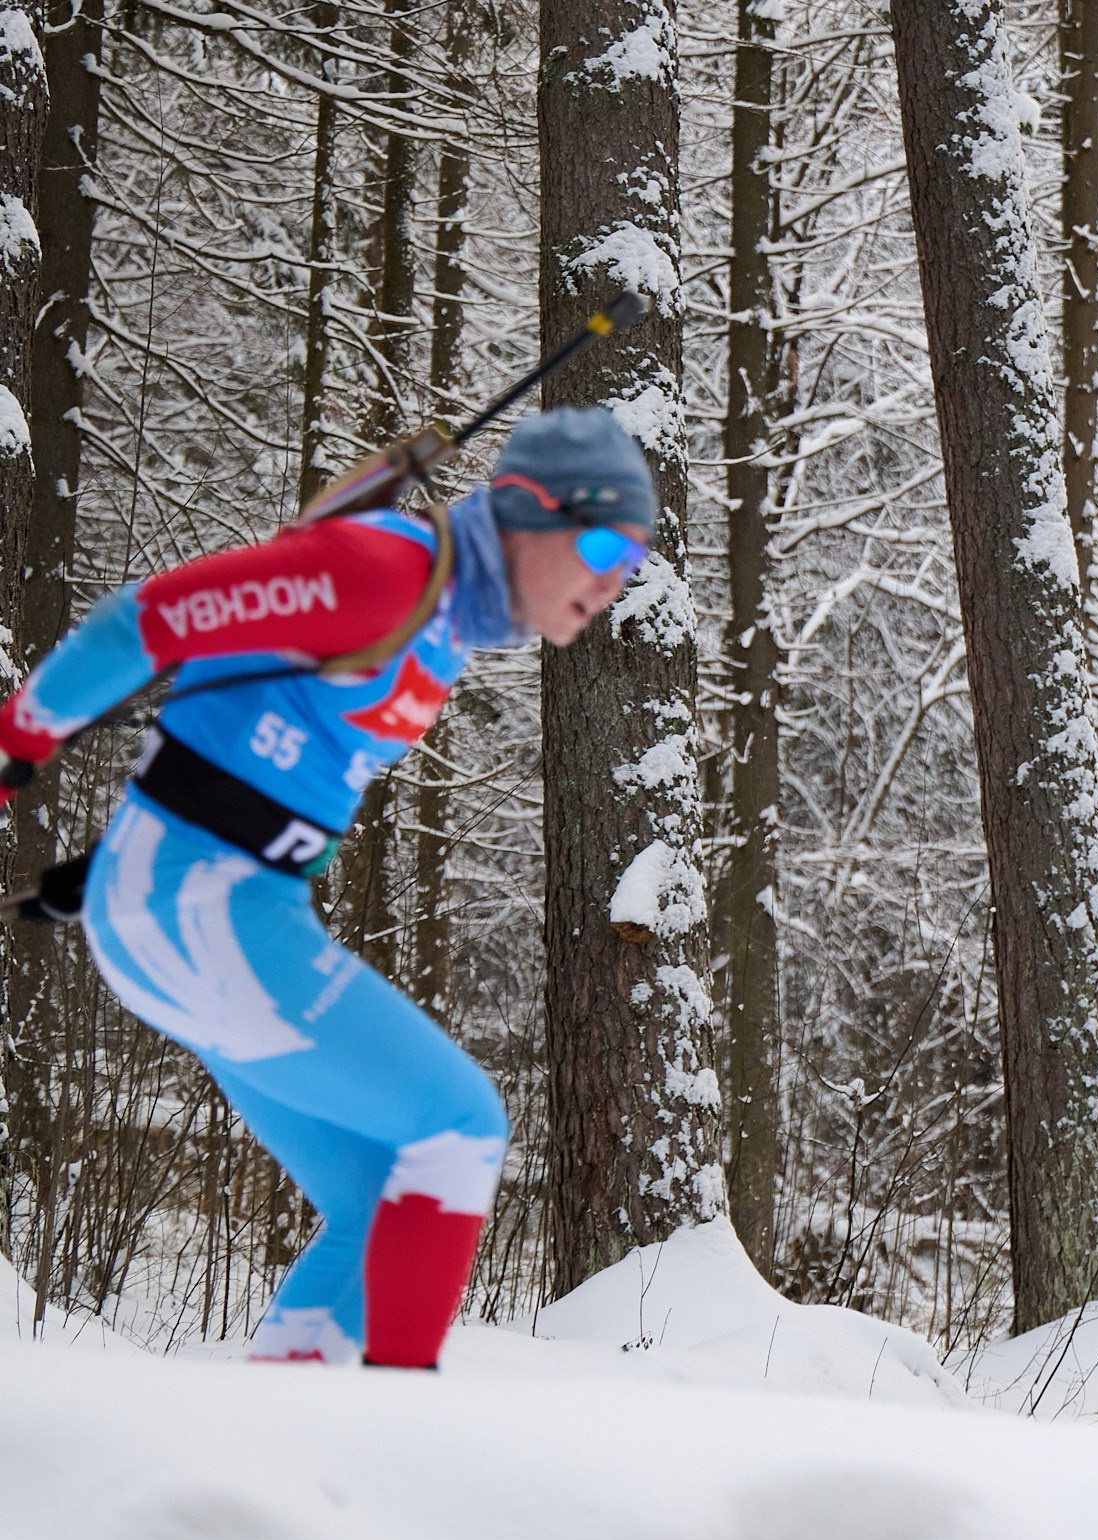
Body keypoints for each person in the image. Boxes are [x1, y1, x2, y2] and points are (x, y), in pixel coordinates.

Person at [0, 409, 655, 1368]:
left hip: (188, 905)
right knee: (460, 1123)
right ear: (520, 511)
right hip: (197, 911)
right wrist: (21, 741)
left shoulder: (443, 620)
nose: (612, 578)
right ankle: (386, 1434)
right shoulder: (385, 571)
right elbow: (144, 619)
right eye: (599, 542)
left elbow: (245, 741)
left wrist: (111, 868)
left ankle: (296, 1441)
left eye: (632, 559)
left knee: (384, 1188)